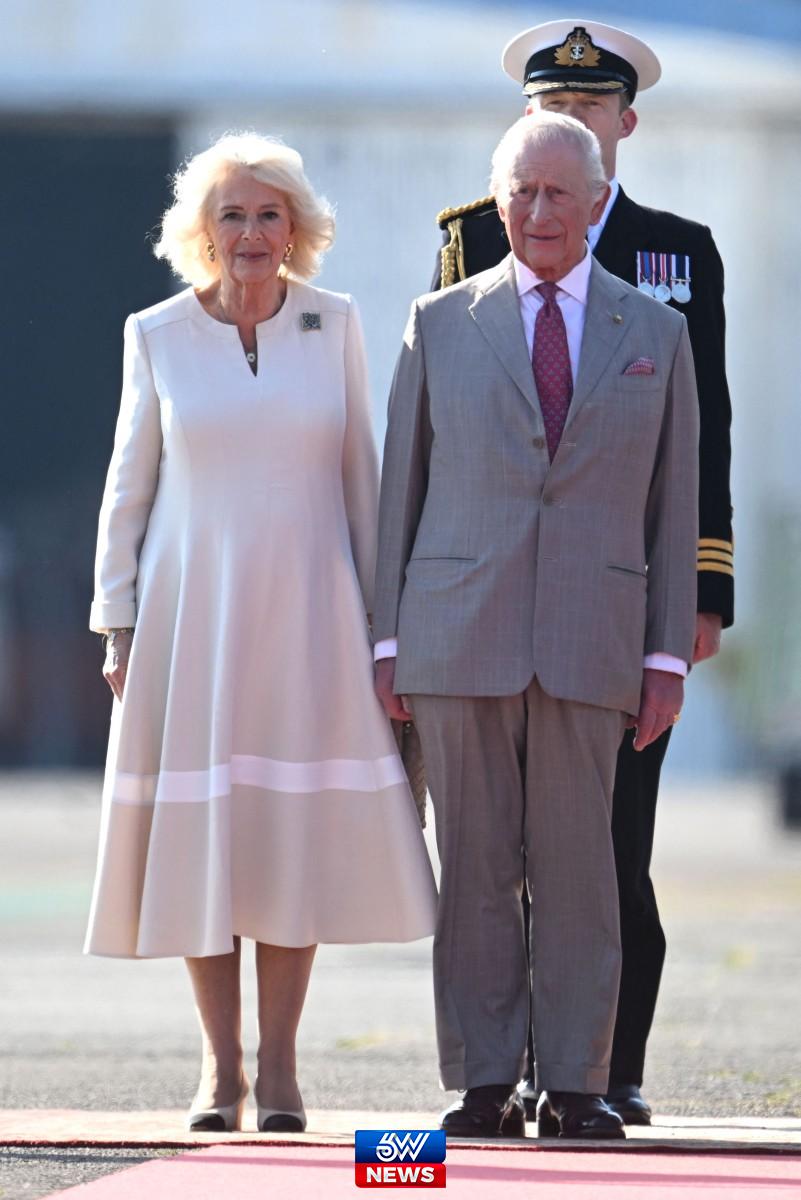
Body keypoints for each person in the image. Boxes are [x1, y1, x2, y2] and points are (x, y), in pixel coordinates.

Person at [85, 132, 437, 1134]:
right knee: (208, 835)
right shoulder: (155, 333)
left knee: (289, 833)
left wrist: (385, 627)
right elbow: (128, 487)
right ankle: (220, 1069)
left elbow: (363, 481)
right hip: (190, 620)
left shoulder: (339, 322)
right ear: (203, 230)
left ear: (296, 229)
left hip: (314, 620)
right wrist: (117, 621)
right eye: (231, 214)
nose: (249, 232)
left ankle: (279, 1067)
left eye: (267, 214)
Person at [432, 18, 734, 1125]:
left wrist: (701, 589)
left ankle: (604, 1068)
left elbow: (705, 435)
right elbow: (442, 425)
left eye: (587, 108)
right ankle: (503, 1067)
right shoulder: (470, 238)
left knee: (612, 843)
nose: (566, 122)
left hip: (616, 596)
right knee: (489, 851)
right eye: (546, 110)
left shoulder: (675, 251)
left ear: (624, 125)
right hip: (488, 599)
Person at [374, 112, 699, 1140]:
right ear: (498, 200)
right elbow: (398, 491)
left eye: (560, 192)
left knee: (580, 873)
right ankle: (480, 1081)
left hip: (591, 640)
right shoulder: (438, 322)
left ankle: (575, 1082)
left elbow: (675, 509)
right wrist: (387, 643)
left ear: (597, 203)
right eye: (522, 191)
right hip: (455, 639)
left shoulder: (657, 334)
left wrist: (664, 654)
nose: (539, 210)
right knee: (473, 866)